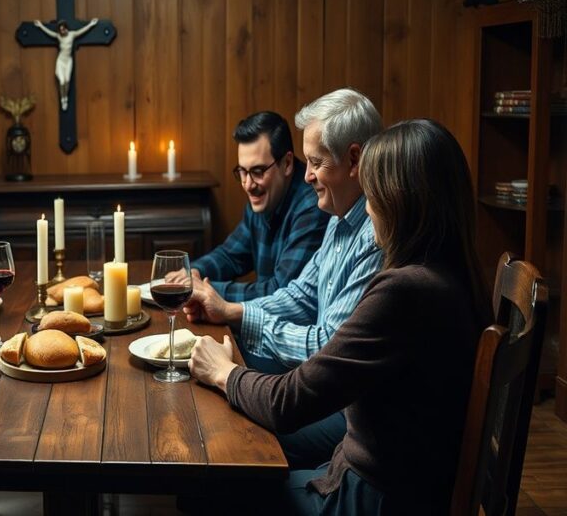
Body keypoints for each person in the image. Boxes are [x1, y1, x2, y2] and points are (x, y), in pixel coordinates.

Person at [188, 119, 491, 513]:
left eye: (374, 193)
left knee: (216, 482)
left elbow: (289, 401)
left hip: (370, 499)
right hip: (390, 485)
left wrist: (222, 372)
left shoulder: (405, 291)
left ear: (402, 200)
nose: (367, 206)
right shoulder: (451, 272)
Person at [183, 88, 383, 469]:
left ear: (354, 159)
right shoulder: (341, 217)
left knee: (225, 436)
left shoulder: (372, 232)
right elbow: (301, 295)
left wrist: (230, 372)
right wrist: (231, 310)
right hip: (321, 382)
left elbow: (327, 347)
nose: (308, 176)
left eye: (316, 162)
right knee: (210, 399)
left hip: (348, 411)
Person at [174, 111, 329, 302]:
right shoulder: (264, 196)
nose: (247, 184)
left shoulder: (312, 207)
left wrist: (204, 289)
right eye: (242, 171)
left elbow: (281, 293)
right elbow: (231, 255)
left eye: (257, 171)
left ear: (287, 163)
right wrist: (192, 272)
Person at [33, 18, 99, 110]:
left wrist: (91, 24)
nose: (62, 31)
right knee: (62, 81)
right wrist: (41, 26)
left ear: (66, 28)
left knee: (67, 80)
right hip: (61, 61)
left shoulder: (72, 35)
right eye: (60, 30)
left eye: (63, 29)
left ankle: (65, 97)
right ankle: (63, 99)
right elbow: (49, 33)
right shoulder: (59, 36)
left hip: (68, 61)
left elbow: (82, 31)